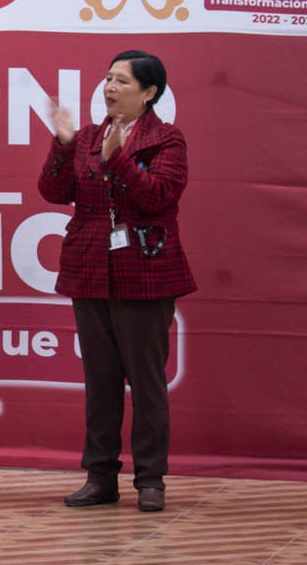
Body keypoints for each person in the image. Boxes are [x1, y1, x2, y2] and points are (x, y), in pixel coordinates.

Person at [39, 50, 196, 513]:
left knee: (146, 381)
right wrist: (64, 143)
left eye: (121, 81)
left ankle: (151, 479)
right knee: (100, 379)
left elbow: (158, 197)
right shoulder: (88, 136)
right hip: (90, 269)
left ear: (149, 93)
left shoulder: (167, 141)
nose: (109, 88)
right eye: (107, 78)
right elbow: (53, 192)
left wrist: (119, 161)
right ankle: (100, 476)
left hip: (145, 270)